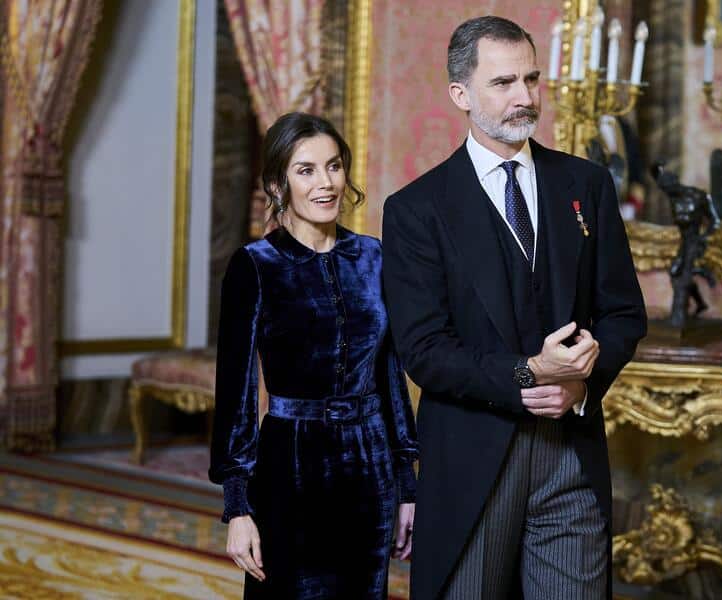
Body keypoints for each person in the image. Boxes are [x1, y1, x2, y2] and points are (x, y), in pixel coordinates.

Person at [381, 16, 647, 600]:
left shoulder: (587, 184)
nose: (525, 97)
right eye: (503, 83)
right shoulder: (416, 209)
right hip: (474, 459)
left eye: (531, 78)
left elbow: (624, 313)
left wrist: (580, 384)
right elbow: (423, 352)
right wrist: (530, 374)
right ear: (460, 94)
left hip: (570, 459)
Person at [209, 112, 418, 599]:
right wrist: (237, 507)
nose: (325, 183)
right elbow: (235, 394)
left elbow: (391, 374)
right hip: (291, 465)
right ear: (279, 183)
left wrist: (406, 485)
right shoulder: (255, 266)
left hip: (370, 466)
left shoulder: (374, 257)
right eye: (306, 170)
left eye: (334, 166)